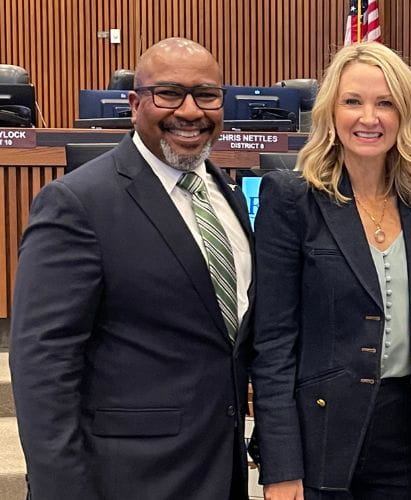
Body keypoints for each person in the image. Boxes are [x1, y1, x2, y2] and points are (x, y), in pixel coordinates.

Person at [9, 38, 254, 500]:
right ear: (135, 103)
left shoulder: (225, 194)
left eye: (206, 95)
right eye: (169, 94)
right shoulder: (77, 203)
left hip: (219, 469)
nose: (190, 110)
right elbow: (42, 365)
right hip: (125, 479)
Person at [251, 42, 411, 500]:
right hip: (317, 434)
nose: (368, 118)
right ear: (330, 112)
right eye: (353, 101)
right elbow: (273, 341)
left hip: (403, 434)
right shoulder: (292, 199)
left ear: (406, 114)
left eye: (385, 103)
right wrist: (280, 464)